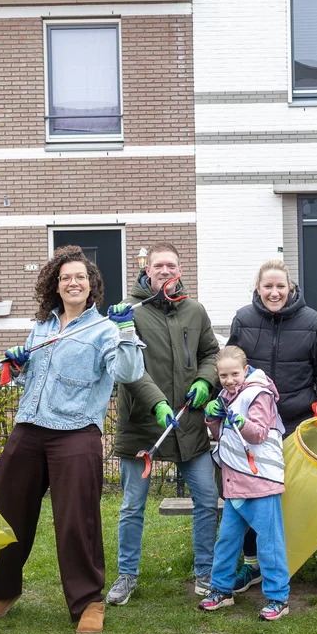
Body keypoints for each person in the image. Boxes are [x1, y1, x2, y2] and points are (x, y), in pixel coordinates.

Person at [0, 246, 145, 634]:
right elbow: (27, 378)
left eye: (81, 278)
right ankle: (3, 590)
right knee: (5, 511)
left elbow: (127, 372)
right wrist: (16, 366)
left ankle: (88, 601)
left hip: (75, 433)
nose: (73, 283)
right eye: (66, 277)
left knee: (76, 520)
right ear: (56, 285)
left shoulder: (104, 328)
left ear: (92, 287)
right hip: (29, 427)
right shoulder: (42, 327)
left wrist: (126, 331)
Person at [225, 261, 317, 601]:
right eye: (268, 287)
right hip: (256, 426)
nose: (274, 292)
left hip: (300, 423)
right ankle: (252, 566)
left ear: (291, 287)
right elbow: (229, 364)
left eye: (281, 286)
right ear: (258, 287)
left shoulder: (311, 321)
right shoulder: (243, 319)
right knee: (254, 495)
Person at [108, 242, 221, 605]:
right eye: (159, 266)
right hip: (142, 421)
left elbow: (211, 354)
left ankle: (205, 572)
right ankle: (127, 576)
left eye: (171, 266)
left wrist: (206, 380)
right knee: (131, 505)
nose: (165, 271)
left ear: (180, 270)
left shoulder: (195, 311)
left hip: (188, 421)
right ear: (148, 271)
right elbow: (127, 368)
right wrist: (156, 402)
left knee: (206, 498)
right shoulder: (130, 311)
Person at [198, 346, 290, 621]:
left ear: (246, 369)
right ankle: (221, 590)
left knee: (269, 543)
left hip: (262, 479)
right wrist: (211, 417)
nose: (229, 380)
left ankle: (278, 597)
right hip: (234, 480)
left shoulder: (259, 393)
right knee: (226, 540)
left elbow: (259, 434)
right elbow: (218, 434)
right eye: (223, 376)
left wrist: (238, 419)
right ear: (217, 374)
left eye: (234, 374)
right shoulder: (225, 395)